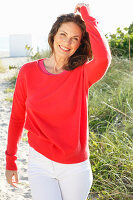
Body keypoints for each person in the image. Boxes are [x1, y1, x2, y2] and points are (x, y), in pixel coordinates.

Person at [5, 3, 112, 200]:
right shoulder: (28, 72)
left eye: (75, 38)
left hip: (75, 168)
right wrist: (10, 159)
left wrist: (88, 17)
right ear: (53, 35)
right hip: (40, 163)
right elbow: (18, 117)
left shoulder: (82, 74)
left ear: (80, 44)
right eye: (63, 34)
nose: (67, 42)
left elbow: (104, 59)